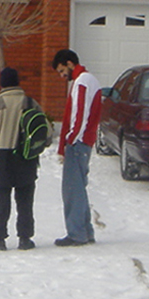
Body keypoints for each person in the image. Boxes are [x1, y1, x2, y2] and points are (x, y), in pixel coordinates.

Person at [0, 67, 43, 251]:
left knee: (1, 200)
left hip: (2, 159)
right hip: (26, 158)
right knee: (25, 200)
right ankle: (25, 238)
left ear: (2, 83)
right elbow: (45, 131)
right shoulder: (31, 103)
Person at [51, 48, 101, 246]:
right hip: (84, 142)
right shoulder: (90, 80)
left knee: (72, 189)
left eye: (62, 71)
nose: (63, 76)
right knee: (79, 188)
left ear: (70, 63)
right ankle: (85, 231)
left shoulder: (82, 82)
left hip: (78, 143)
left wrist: (70, 139)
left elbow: (80, 114)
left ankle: (76, 233)